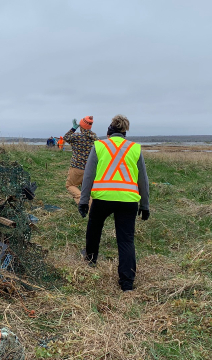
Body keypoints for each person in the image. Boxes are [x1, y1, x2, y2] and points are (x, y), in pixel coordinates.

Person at [78, 114, 150, 292]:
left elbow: (88, 176)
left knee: (94, 229)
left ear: (109, 131)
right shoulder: (134, 148)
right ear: (124, 132)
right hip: (128, 200)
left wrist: (83, 201)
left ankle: (91, 260)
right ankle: (127, 284)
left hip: (102, 198)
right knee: (126, 240)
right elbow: (143, 180)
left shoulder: (100, 145)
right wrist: (145, 205)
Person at [63, 116, 98, 204]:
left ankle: (84, 204)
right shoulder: (94, 138)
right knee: (87, 189)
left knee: (70, 185)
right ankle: (92, 206)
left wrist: (73, 128)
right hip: (91, 168)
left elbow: (66, 137)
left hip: (77, 167)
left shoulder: (76, 136)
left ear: (81, 125)